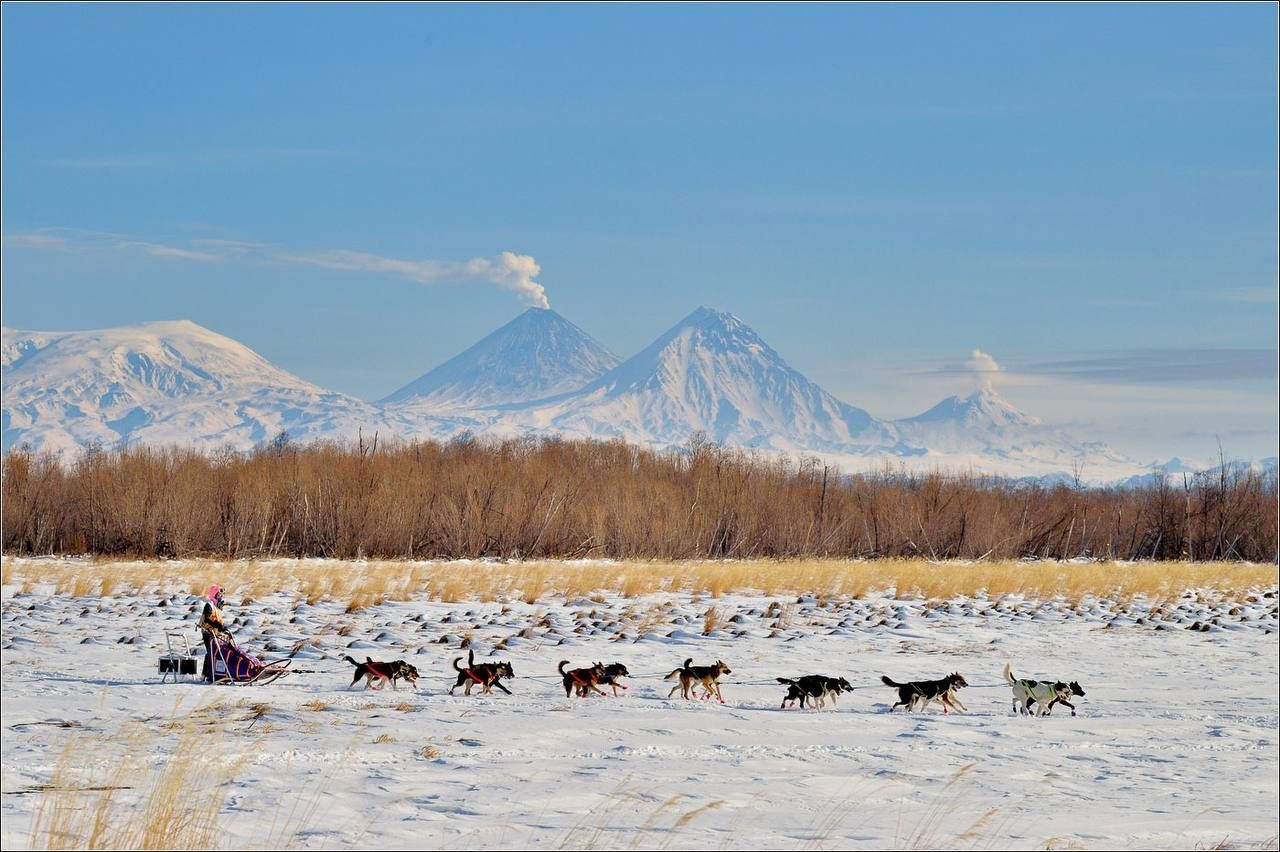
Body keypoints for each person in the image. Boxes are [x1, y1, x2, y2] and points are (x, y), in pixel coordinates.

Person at [199, 585, 229, 683]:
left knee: (217, 653)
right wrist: (217, 625)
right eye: (219, 595)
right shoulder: (209, 605)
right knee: (211, 653)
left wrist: (223, 628)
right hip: (207, 633)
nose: (221, 597)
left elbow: (219, 621)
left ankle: (216, 674)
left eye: (221, 595)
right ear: (214, 595)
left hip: (216, 633)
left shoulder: (218, 607)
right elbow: (207, 619)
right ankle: (206, 675)